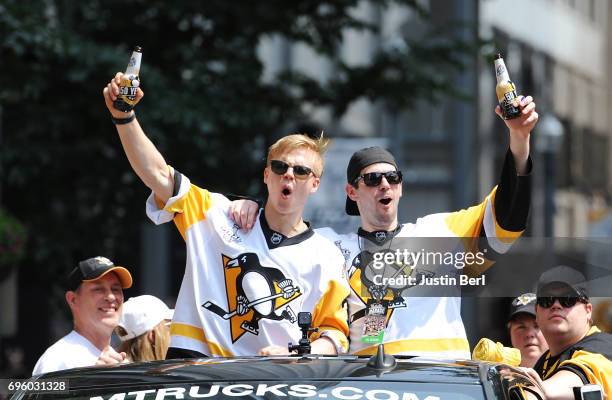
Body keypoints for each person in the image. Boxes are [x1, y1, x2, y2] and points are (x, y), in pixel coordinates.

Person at [230, 95, 537, 358]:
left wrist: (519, 140)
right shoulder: (331, 247)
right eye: (373, 179)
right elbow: (279, 232)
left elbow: (506, 218)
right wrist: (248, 204)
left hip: (443, 381)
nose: (384, 185)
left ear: (401, 188)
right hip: (373, 385)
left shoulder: (436, 232)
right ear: (352, 191)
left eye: (393, 178)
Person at [103, 73, 349, 358]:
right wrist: (124, 117)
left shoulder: (326, 254)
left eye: (301, 171)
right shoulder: (218, 214)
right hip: (195, 372)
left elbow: (334, 335)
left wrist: (294, 353)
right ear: (267, 175)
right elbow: (158, 174)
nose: (289, 176)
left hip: (272, 380)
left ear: (315, 183)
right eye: (280, 167)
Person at [521, 267, 611, 399]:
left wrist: (536, 392)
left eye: (568, 299)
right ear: (536, 312)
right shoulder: (545, 361)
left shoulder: (603, 348)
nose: (556, 305)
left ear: (588, 310)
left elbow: (574, 380)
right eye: (547, 300)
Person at [32, 256, 133, 375]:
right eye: (98, 289)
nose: (111, 297)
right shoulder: (56, 361)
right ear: (73, 299)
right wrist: (88, 381)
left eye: (115, 289)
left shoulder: (119, 361)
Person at [115, 295, 174, 362]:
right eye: (169, 327)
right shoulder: (174, 370)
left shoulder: (112, 369)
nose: (175, 334)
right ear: (153, 336)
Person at [507, 293, 548, 368]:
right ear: (510, 333)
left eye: (537, 326)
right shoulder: (497, 375)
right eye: (521, 327)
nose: (529, 334)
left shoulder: (568, 369)